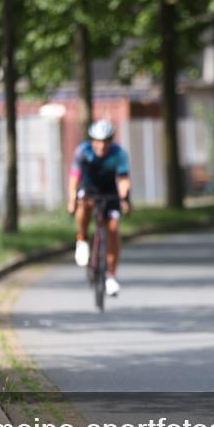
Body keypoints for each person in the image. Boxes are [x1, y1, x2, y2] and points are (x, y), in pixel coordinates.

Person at [68, 119, 132, 297]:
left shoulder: (119, 154)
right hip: (89, 188)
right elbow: (74, 177)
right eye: (98, 141)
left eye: (105, 141)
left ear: (111, 141)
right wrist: (72, 198)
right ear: (92, 140)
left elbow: (124, 179)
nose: (101, 145)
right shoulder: (83, 151)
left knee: (113, 229)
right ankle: (81, 239)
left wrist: (125, 198)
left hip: (110, 191)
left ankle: (111, 275)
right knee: (84, 205)